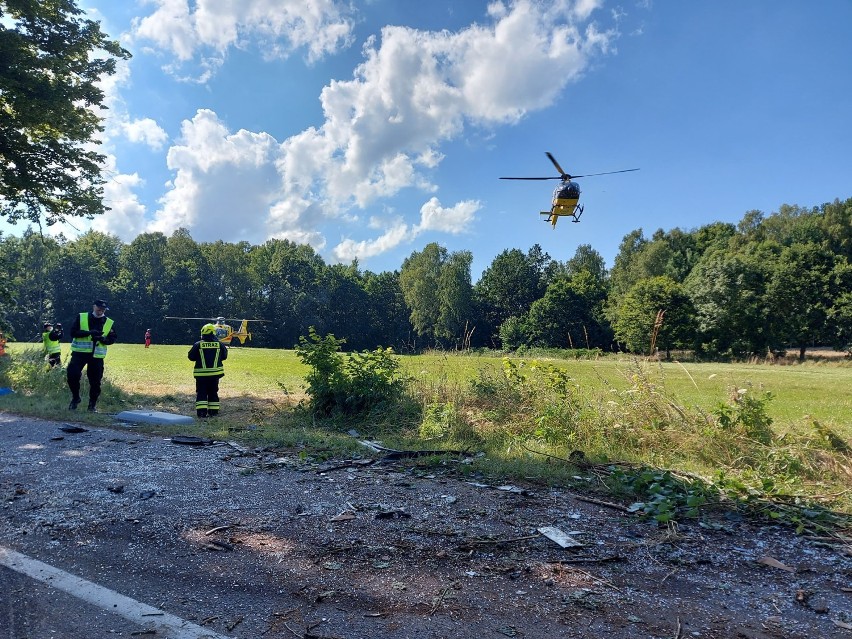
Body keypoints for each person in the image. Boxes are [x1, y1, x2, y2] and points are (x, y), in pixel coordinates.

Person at [67, 299, 117, 412]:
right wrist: (89, 333)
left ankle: (92, 405)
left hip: (96, 356)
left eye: (103, 310)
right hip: (79, 353)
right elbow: (73, 333)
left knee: (95, 382)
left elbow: (113, 338)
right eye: (99, 309)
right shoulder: (82, 317)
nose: (101, 311)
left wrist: (103, 339)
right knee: (72, 375)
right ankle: (75, 398)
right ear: (94, 307)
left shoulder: (108, 322)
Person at [188, 323, 227, 418]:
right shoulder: (220, 344)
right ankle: (213, 412)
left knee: (201, 393)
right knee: (213, 392)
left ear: (203, 333)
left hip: (201, 376)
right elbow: (224, 356)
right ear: (213, 333)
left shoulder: (198, 344)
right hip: (215, 375)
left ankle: (201, 413)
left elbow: (191, 357)